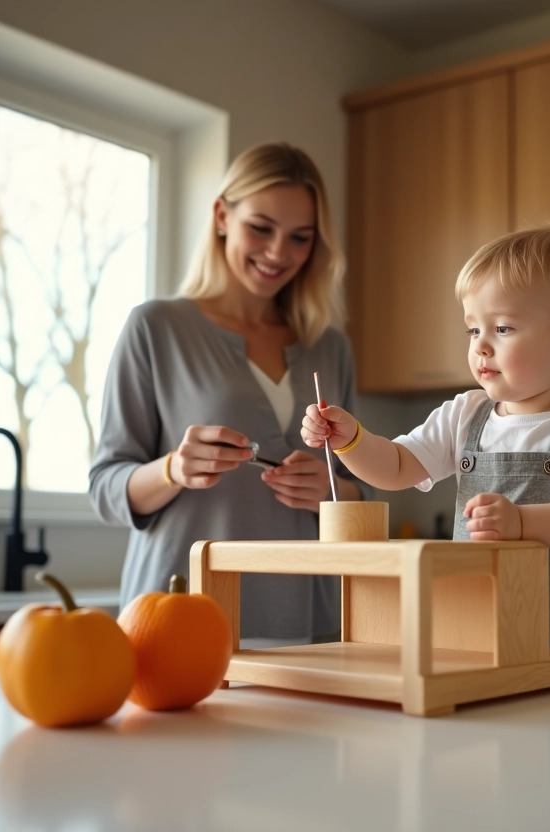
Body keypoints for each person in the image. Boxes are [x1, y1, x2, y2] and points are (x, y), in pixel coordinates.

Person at [301, 228, 550, 659]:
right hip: (479, 642)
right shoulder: (466, 414)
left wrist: (521, 523)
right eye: (472, 330)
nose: (480, 346)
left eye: (501, 328)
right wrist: (350, 439)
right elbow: (396, 466)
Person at [89, 142, 372, 641]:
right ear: (222, 215)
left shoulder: (330, 348)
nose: (278, 254)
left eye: (300, 238)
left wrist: (330, 492)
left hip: (311, 620)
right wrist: (174, 468)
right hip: (180, 610)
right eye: (260, 228)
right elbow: (107, 489)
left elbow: (364, 489)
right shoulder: (155, 328)